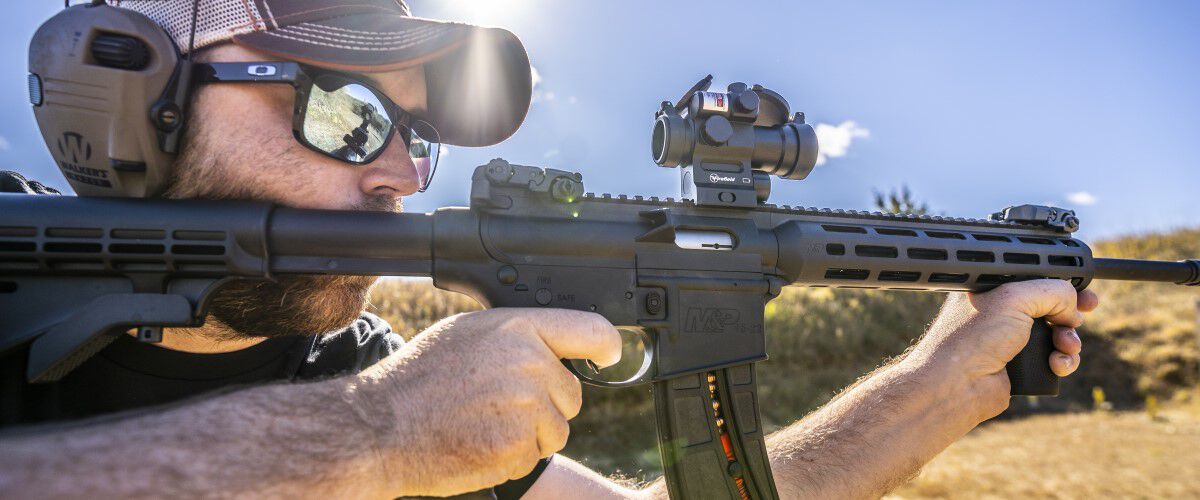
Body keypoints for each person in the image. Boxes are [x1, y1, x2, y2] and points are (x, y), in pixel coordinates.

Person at [0, 1, 1095, 498]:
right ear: (132, 96)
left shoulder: (352, 371)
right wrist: (373, 436)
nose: (392, 171)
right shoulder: (371, 403)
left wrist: (941, 378)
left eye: (414, 136)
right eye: (345, 114)